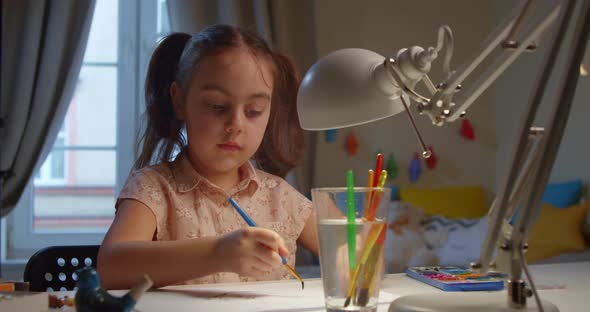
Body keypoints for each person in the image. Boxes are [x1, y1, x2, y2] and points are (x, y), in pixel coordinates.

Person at [97, 24, 319, 289]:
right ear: (179, 101)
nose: (235, 124)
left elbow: (353, 253)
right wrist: (218, 253)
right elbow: (110, 267)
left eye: (254, 111)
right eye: (217, 106)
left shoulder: (280, 196)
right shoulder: (154, 189)